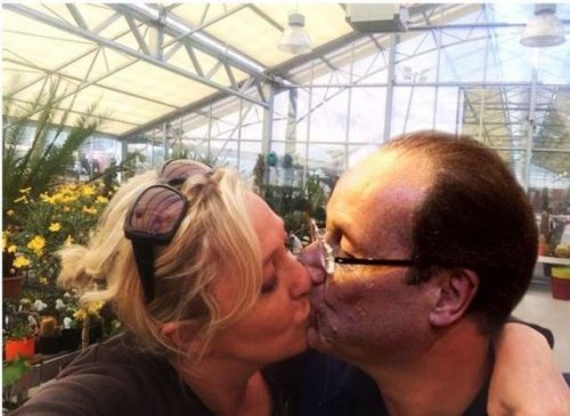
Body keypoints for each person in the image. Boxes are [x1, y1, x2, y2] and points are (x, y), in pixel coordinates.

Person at [11, 158, 566, 415]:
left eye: (340, 250)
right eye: (270, 281)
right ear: (191, 334)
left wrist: (524, 344)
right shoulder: (122, 390)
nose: (308, 272)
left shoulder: (314, 362)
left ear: (449, 297)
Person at [297, 130, 570, 415]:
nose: (304, 264)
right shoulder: (306, 376)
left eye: (344, 251)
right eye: (321, 233)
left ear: (448, 295)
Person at [12, 159, 311, 415]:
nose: (305, 278)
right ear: (191, 337)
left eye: (287, 248)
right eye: (269, 282)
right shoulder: (116, 396)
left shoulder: (296, 355)